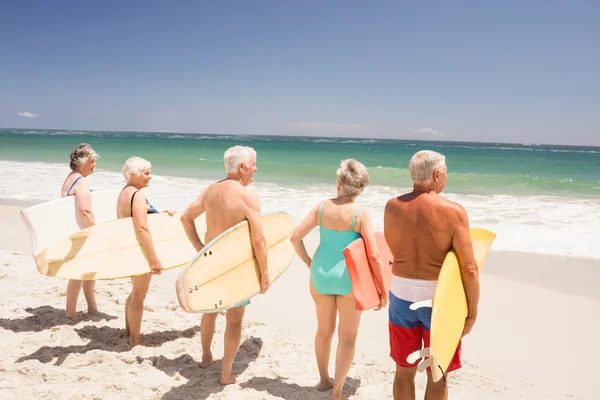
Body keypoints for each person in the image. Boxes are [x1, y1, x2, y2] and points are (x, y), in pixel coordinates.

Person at [383, 150, 480, 400]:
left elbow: (395, 250)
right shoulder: (454, 212)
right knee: (437, 372)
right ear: (437, 174)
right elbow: (469, 269)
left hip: (401, 296)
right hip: (439, 300)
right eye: (445, 172)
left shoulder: (392, 207)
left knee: (404, 370)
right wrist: (471, 312)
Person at [291, 159, 389, 400]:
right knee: (347, 338)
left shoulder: (321, 208)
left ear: (339, 183)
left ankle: (323, 380)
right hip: (348, 279)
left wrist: (309, 263)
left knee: (324, 330)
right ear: (360, 187)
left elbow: (295, 237)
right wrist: (383, 290)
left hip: (320, 275)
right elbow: (375, 255)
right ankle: (337, 392)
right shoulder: (361, 214)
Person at [180, 145, 270, 385]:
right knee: (234, 320)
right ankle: (225, 374)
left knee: (209, 311)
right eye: (253, 164)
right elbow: (258, 239)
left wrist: (200, 249)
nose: (255, 168)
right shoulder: (247, 196)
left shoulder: (210, 191)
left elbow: (186, 218)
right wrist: (265, 273)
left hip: (210, 264)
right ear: (242, 167)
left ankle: (206, 357)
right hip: (235, 267)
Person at [116, 156, 175, 347]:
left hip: (130, 250)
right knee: (139, 296)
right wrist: (153, 259)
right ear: (133, 174)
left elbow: (142, 220)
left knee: (135, 293)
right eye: (146, 173)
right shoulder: (137, 195)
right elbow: (142, 228)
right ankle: (135, 338)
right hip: (139, 253)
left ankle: (128, 332)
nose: (150, 177)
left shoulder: (126, 192)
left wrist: (163, 215)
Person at [60, 143, 100, 321]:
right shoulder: (81, 181)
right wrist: (96, 232)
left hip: (73, 230)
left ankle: (92, 308)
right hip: (81, 232)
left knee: (89, 271)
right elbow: (85, 211)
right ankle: (70, 314)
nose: (94, 166)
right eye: (92, 162)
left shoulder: (71, 178)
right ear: (83, 161)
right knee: (78, 273)